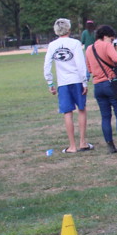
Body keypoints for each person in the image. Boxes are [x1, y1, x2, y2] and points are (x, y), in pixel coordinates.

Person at [44, 18, 93, 153]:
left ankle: (72, 146)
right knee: (81, 109)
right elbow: (80, 64)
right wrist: (84, 81)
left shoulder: (52, 45)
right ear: (69, 29)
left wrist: (50, 82)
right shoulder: (75, 43)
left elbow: (47, 65)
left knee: (67, 113)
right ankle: (82, 142)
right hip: (77, 80)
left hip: (63, 83)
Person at [86, 25, 117, 154]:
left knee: (105, 117)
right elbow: (116, 58)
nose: (112, 41)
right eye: (111, 39)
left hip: (98, 86)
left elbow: (89, 68)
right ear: (105, 36)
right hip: (111, 83)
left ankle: (110, 145)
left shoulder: (89, 49)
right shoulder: (106, 45)